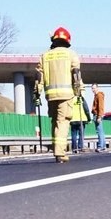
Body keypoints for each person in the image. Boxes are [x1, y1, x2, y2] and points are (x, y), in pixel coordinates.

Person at [34, 26, 82, 163]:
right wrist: (78, 92)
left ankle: (56, 149)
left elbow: (39, 76)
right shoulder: (71, 54)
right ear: (67, 41)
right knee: (63, 122)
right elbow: (76, 74)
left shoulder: (45, 55)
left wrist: (37, 93)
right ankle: (60, 152)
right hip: (66, 95)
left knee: (54, 122)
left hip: (50, 96)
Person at [90, 84, 106, 151]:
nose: (93, 90)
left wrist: (99, 116)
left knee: (99, 131)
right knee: (100, 131)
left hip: (97, 115)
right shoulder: (96, 95)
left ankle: (100, 146)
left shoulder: (99, 95)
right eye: (92, 88)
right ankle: (103, 145)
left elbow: (100, 106)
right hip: (96, 115)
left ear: (97, 88)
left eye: (94, 88)